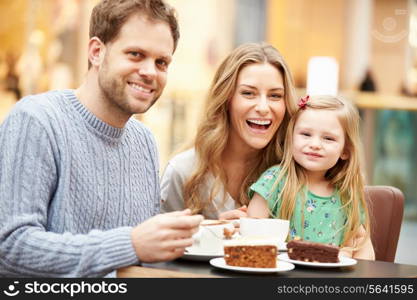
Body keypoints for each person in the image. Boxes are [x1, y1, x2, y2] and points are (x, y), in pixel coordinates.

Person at [0, 0, 203, 278]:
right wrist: (129, 244)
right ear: (96, 52)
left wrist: (208, 232)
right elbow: (11, 247)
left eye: (161, 62)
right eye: (135, 54)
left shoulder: (144, 141)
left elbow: (141, 254)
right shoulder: (37, 120)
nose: (150, 72)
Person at [161, 43, 297, 220]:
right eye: (248, 93)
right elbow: (160, 244)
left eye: (275, 96)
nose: (263, 107)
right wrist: (216, 232)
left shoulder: (295, 171)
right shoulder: (183, 171)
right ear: (227, 99)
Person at [247, 95, 375, 259]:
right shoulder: (274, 181)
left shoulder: (346, 194)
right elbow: (251, 232)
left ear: (345, 150)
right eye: (306, 134)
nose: (315, 144)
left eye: (328, 138)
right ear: (291, 137)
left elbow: (364, 248)